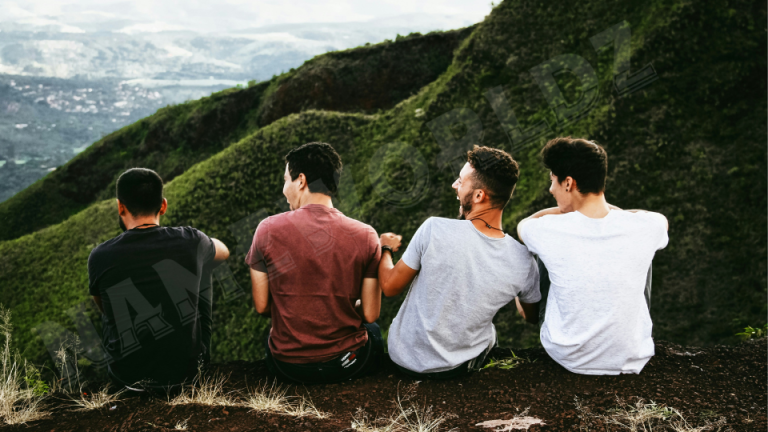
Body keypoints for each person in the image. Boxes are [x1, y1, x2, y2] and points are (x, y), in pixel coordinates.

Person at [379, 145, 540, 380]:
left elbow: (390, 286)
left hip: (403, 359)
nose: (455, 185)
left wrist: (385, 249)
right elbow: (531, 316)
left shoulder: (434, 228)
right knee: (490, 333)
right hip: (457, 368)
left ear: (478, 196)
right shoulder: (524, 260)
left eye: (460, 181)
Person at [517, 137, 669, 375]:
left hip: (568, 355)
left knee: (541, 252)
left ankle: (535, 317)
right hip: (631, 357)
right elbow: (658, 219)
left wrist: (564, 211)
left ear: (568, 183)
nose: (550, 190)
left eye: (553, 181)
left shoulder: (546, 229)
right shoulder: (647, 226)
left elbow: (524, 225)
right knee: (643, 250)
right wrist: (612, 212)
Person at [246, 142, 384, 384]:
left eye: (285, 180)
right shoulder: (366, 235)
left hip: (288, 367)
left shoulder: (267, 229)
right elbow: (371, 313)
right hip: (346, 364)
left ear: (301, 180)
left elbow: (262, 306)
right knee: (373, 331)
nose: (283, 189)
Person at [88, 168, 230, 391]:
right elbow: (224, 252)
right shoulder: (191, 239)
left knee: (111, 302)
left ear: (120, 206)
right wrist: (201, 245)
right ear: (163, 205)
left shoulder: (100, 256)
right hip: (185, 375)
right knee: (205, 265)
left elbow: (105, 310)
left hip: (127, 377)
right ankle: (198, 362)